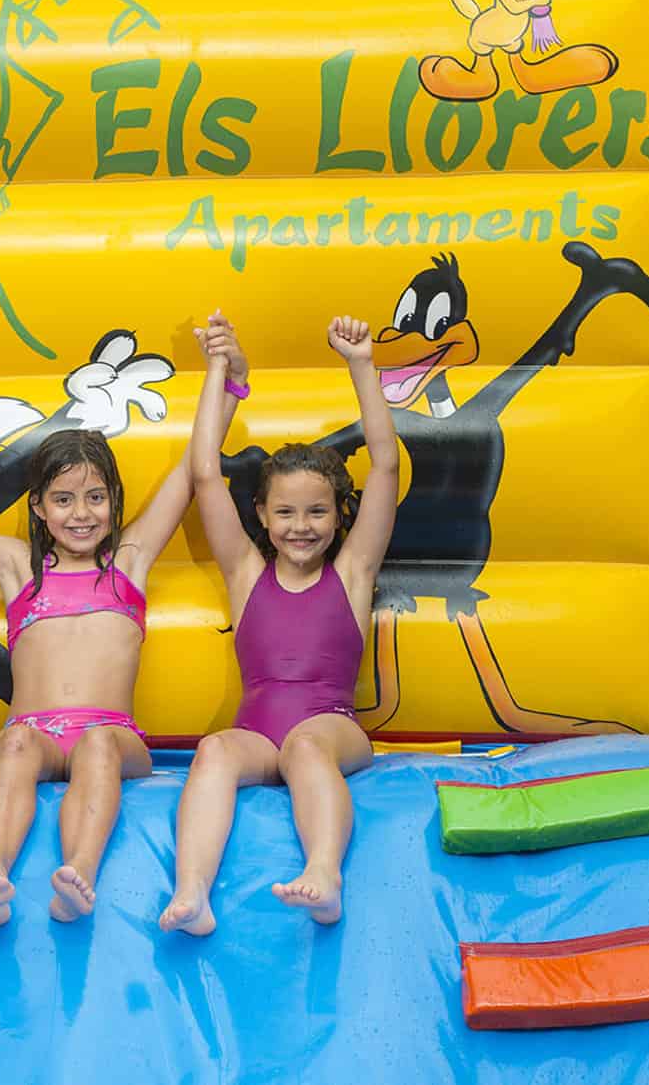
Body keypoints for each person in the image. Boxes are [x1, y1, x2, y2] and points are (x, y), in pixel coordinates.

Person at [0, 333, 239, 925]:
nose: (81, 513)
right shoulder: (19, 569)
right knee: (11, 745)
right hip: (30, 731)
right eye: (63, 500)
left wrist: (228, 376)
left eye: (95, 497)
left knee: (95, 745)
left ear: (115, 503)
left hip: (111, 733)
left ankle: (79, 875)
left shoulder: (129, 565)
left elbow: (195, 469)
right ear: (38, 507)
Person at [161, 314, 399, 933]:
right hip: (258, 735)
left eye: (318, 511)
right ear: (262, 515)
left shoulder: (351, 574)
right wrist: (219, 369)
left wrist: (362, 365)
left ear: (338, 516)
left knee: (306, 746)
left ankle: (325, 873)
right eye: (286, 512)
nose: (302, 526)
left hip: (332, 728)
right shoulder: (246, 573)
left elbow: (385, 469)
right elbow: (206, 472)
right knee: (213, 749)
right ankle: (192, 893)